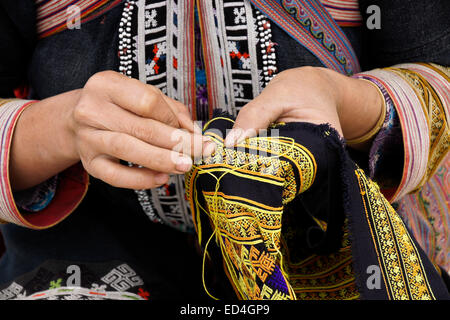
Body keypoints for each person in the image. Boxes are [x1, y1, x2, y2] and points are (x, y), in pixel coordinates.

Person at [0, 0, 448, 300]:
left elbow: (439, 77)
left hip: (335, 247)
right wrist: (63, 125)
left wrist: (346, 103)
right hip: (85, 258)